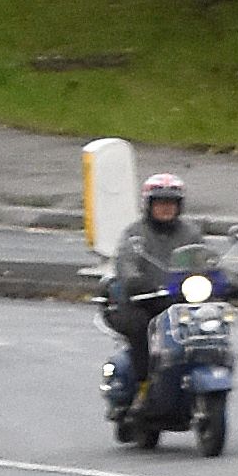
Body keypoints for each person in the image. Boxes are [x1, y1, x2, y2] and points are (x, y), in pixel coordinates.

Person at [101, 172, 191, 405]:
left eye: (171, 203)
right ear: (148, 205)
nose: (166, 208)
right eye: (160, 203)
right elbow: (126, 264)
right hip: (141, 301)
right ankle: (143, 385)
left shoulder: (190, 233)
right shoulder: (135, 234)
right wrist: (137, 282)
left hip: (178, 299)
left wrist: (225, 281)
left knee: (208, 323)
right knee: (142, 327)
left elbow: (204, 259)